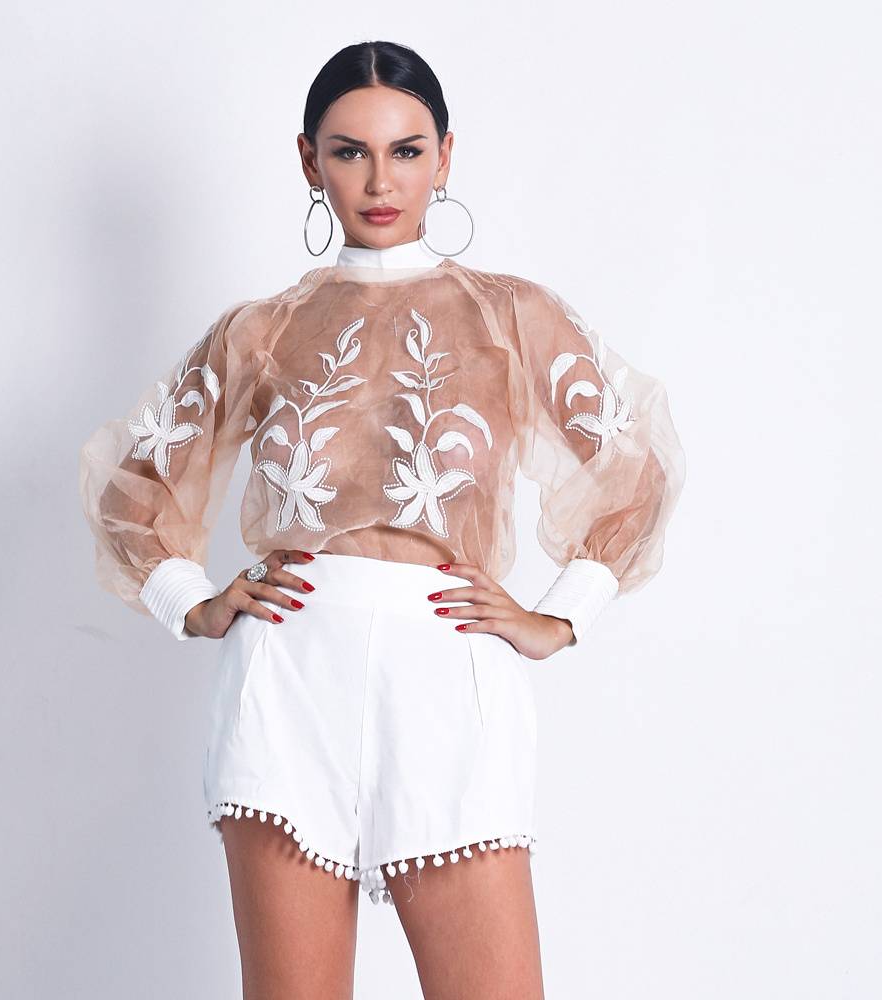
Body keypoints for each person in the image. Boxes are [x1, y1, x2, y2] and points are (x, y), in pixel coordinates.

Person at [78, 39, 686, 1000]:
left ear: (445, 155)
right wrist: (190, 600)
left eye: (406, 150)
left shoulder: (509, 316)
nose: (379, 180)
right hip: (285, 682)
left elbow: (636, 469)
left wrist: (561, 614)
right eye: (349, 151)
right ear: (309, 160)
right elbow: (134, 484)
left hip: (448, 672)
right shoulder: (263, 329)